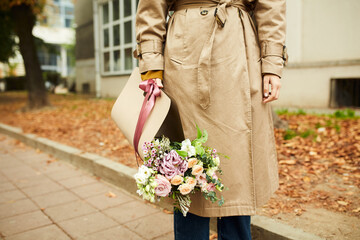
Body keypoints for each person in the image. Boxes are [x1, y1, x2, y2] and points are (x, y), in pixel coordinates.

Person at [134, 0, 287, 239]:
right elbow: (152, 8)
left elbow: (271, 5)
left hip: (240, 48)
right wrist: (152, 65)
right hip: (185, 49)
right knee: (186, 163)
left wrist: (272, 63)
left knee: (238, 166)